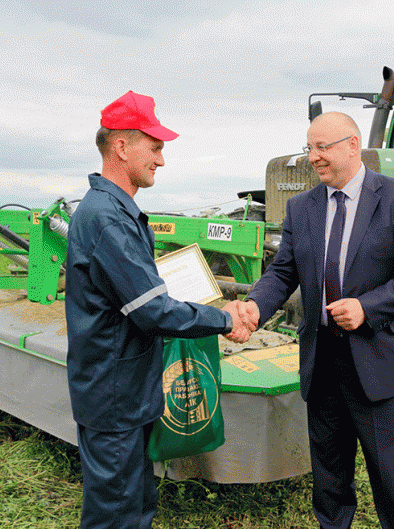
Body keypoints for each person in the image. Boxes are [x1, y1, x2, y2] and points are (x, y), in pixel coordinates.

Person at [237, 112, 394, 528]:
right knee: (330, 482)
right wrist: (256, 306)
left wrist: (369, 307)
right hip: (322, 362)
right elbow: (283, 272)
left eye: (322, 147)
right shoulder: (302, 208)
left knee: (393, 482)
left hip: (378, 361)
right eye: (309, 147)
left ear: (353, 146)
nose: (312, 157)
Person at [65, 90, 253, 529]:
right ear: (122, 146)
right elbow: (153, 311)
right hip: (114, 397)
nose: (161, 161)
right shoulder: (107, 219)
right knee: (116, 514)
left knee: (136, 503)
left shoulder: (114, 212)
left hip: (125, 390)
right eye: (155, 148)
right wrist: (225, 319)